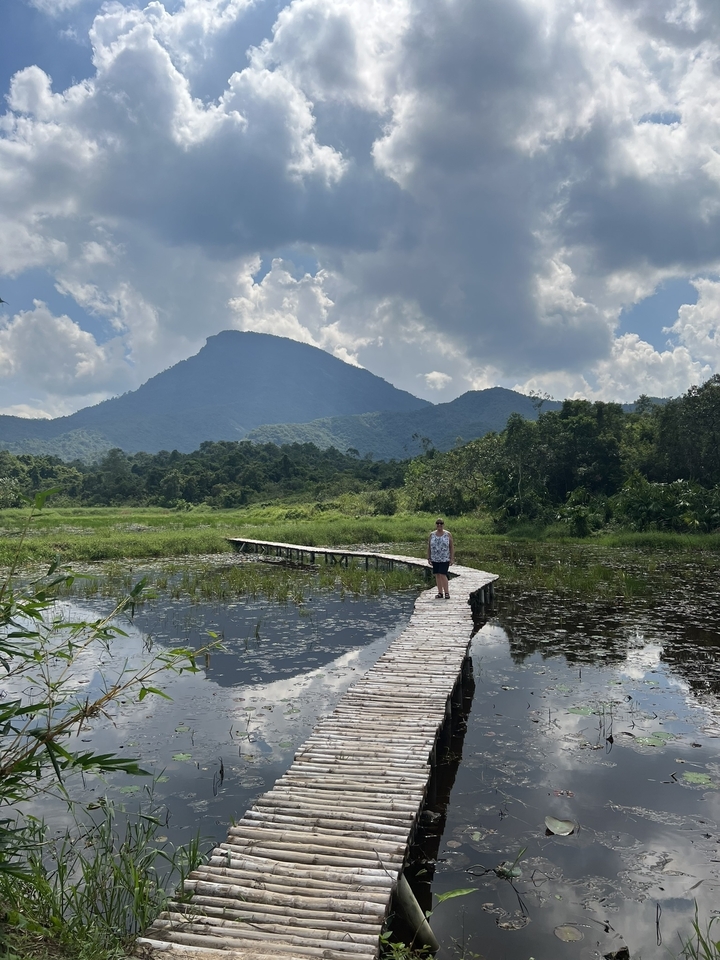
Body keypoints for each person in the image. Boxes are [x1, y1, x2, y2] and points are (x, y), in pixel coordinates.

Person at [427, 518, 454, 599]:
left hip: (445, 558)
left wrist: (452, 558)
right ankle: (440, 592)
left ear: (443, 524)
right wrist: (429, 557)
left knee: (443, 574)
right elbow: (429, 547)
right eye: (437, 523)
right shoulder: (432, 534)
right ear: (436, 524)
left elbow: (451, 547)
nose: (439, 525)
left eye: (441, 523)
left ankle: (446, 592)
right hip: (435, 558)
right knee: (437, 575)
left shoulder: (448, 534)